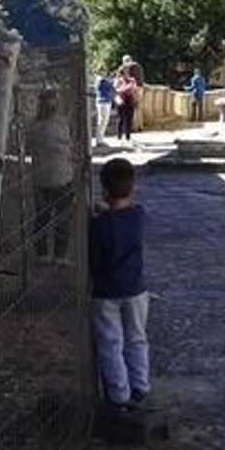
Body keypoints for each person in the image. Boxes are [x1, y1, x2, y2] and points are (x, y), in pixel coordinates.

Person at [88, 158, 150, 413]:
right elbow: (123, 217)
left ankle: (118, 394)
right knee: (136, 338)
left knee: (110, 343)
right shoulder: (138, 217)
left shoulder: (98, 225)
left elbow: (99, 245)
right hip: (136, 289)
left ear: (103, 187)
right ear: (132, 186)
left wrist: (102, 212)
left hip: (106, 291)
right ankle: (140, 386)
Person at [27, 89, 77, 262]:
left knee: (42, 217)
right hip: (62, 177)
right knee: (62, 219)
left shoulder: (32, 126)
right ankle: (59, 255)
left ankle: (41, 254)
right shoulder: (61, 124)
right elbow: (69, 147)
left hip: (40, 177)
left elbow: (29, 148)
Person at [111, 68, 139, 142]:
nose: (127, 74)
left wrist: (136, 99)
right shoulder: (118, 80)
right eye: (125, 72)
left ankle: (128, 137)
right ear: (121, 74)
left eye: (127, 72)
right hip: (121, 101)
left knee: (129, 119)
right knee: (121, 119)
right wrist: (125, 88)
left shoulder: (132, 80)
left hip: (130, 100)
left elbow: (135, 89)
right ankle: (119, 136)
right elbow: (115, 90)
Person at [93, 67, 115, 145]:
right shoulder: (100, 80)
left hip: (107, 102)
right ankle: (99, 140)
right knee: (102, 121)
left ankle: (101, 138)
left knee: (105, 121)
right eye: (102, 71)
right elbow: (107, 88)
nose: (104, 72)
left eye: (105, 71)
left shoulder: (105, 80)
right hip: (102, 102)